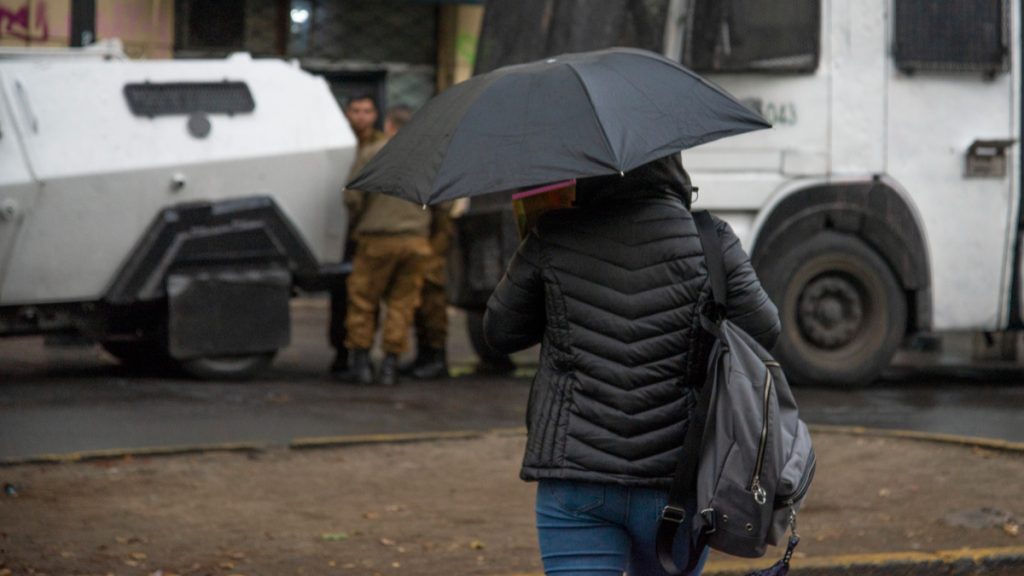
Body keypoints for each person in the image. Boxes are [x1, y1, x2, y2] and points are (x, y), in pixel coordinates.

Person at [483, 154, 780, 575]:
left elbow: (499, 333)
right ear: (673, 168)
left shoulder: (554, 234)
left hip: (575, 475)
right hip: (680, 475)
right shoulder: (711, 240)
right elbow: (765, 330)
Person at [338, 106, 448, 386]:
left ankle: (361, 365)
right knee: (402, 305)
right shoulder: (429, 157)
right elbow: (444, 203)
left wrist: (360, 219)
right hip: (416, 242)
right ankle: (390, 366)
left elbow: (352, 197)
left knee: (363, 301)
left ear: (389, 125)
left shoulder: (372, 152)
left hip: (376, 240)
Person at [330, 94, 388, 376]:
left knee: (365, 297)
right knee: (343, 296)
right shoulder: (337, 141)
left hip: (366, 231)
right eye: (356, 110)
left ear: (375, 114)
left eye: (367, 110)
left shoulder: (379, 145)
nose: (361, 116)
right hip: (338, 228)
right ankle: (343, 353)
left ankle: (360, 356)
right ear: (347, 113)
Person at [400, 203, 454, 380]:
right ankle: (425, 355)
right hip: (427, 230)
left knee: (432, 295)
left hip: (435, 233)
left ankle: (436, 357)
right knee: (422, 294)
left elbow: (444, 208)